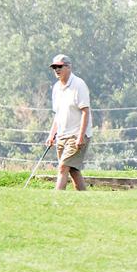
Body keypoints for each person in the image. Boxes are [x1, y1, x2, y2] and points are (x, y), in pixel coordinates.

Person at [46, 54, 92, 191]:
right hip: (62, 135)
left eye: (59, 66)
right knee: (73, 170)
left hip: (77, 135)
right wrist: (51, 135)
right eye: (54, 67)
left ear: (68, 67)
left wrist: (80, 137)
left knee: (63, 167)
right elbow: (58, 114)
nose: (56, 69)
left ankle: (55, 199)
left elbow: (85, 112)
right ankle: (84, 198)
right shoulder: (56, 88)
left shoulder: (79, 85)